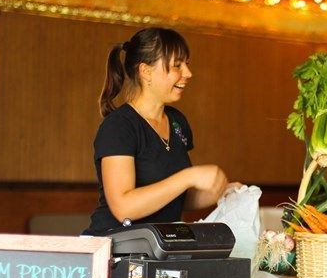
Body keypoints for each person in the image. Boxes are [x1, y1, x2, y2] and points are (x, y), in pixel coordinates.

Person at [83, 27, 236, 235]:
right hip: (115, 250)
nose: (188, 74)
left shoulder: (177, 122)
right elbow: (123, 208)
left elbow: (177, 198)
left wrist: (220, 191)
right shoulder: (119, 126)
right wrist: (188, 176)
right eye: (177, 66)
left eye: (187, 65)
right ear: (146, 71)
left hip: (158, 248)